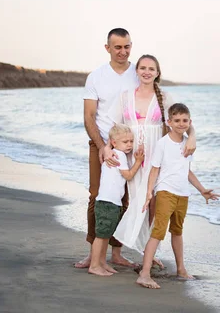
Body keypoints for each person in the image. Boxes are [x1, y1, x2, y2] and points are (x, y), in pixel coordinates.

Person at [107, 54, 197, 263]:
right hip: (132, 155)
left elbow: (183, 121)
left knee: (153, 203)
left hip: (157, 156)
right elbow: (113, 127)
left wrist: (192, 137)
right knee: (132, 200)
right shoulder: (125, 95)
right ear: (137, 71)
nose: (147, 72)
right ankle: (122, 251)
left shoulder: (165, 97)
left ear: (157, 73)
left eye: (151, 69)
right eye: (143, 68)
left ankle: (148, 253)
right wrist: (107, 148)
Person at [75, 28, 139, 269]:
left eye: (127, 46)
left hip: (129, 146)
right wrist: (103, 147)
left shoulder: (137, 73)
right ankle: (93, 254)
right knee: (97, 196)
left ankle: (116, 252)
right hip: (101, 144)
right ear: (108, 48)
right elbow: (89, 117)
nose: (123, 51)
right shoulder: (97, 76)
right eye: (118, 47)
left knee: (124, 199)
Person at [136, 103, 219, 289]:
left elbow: (187, 171)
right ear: (169, 122)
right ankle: (145, 273)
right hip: (166, 191)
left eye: (185, 120)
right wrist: (150, 192)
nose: (181, 124)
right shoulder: (163, 143)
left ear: (190, 122)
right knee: (158, 232)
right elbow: (154, 170)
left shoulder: (188, 145)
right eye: (177, 120)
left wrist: (201, 189)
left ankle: (181, 269)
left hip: (183, 193)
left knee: (177, 231)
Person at [88, 124, 144, 276]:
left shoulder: (113, 152)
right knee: (101, 235)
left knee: (106, 234)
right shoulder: (119, 155)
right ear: (114, 142)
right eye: (125, 142)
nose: (130, 145)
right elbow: (128, 175)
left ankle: (102, 262)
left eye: (131, 141)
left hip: (111, 202)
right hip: (108, 202)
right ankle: (94, 265)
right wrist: (138, 161)